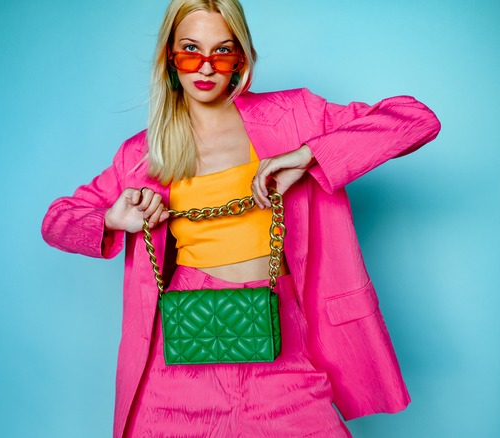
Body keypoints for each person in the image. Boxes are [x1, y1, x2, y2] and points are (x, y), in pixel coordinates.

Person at [42, 0, 441, 436]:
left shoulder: (295, 116)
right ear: (170, 58)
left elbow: (414, 119)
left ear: (241, 58)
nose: (206, 67)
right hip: (180, 352)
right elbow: (58, 220)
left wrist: (308, 155)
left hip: (281, 341)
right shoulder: (142, 154)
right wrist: (114, 219)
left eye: (223, 51)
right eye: (191, 50)